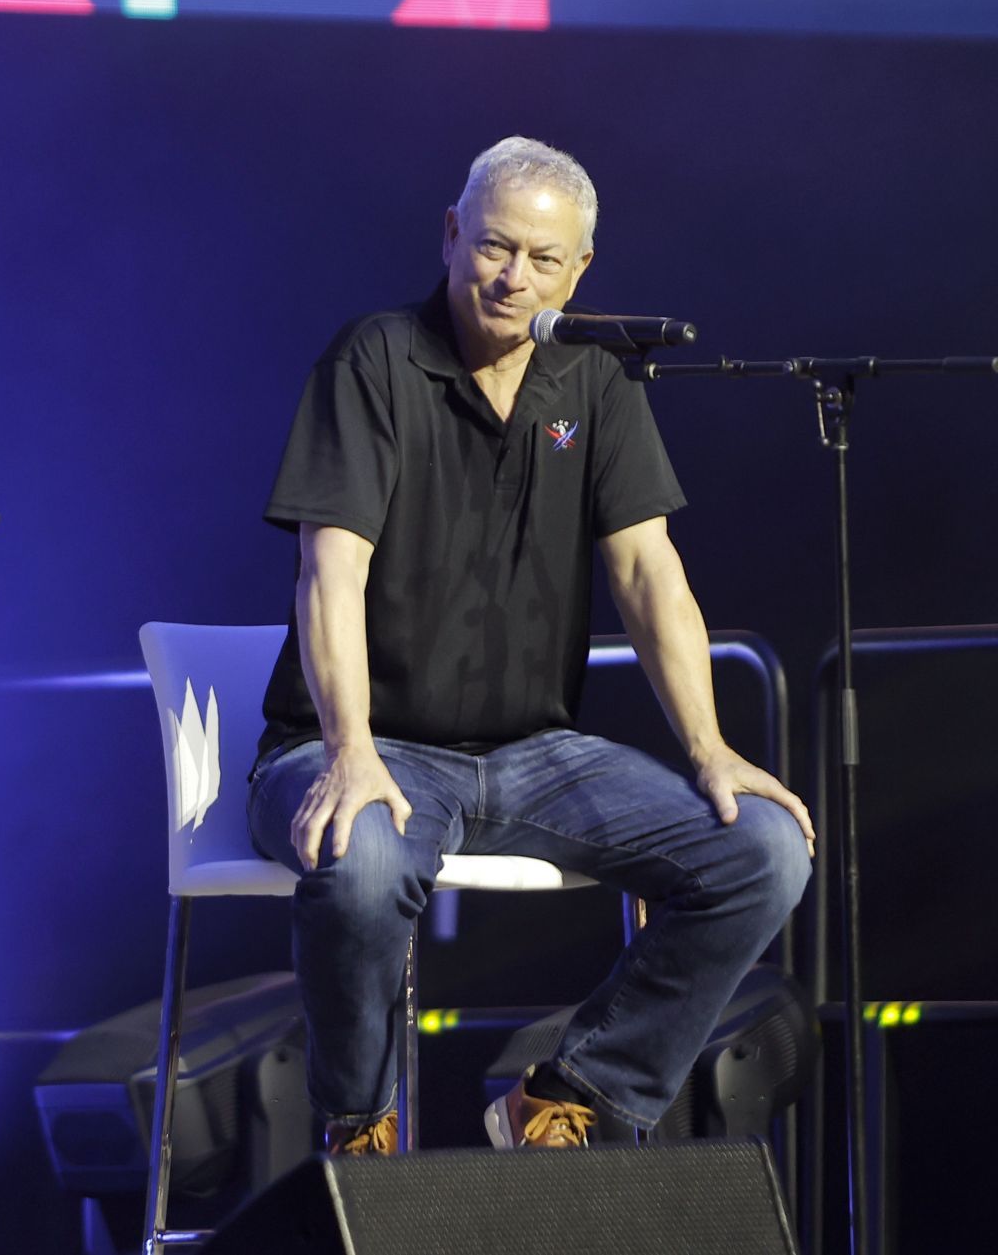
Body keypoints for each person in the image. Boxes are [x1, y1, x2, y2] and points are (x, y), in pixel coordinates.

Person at [246, 136, 814, 1154]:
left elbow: (649, 572)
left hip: (530, 756)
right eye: (495, 246)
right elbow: (329, 571)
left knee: (762, 850)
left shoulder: (594, 377)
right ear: (451, 233)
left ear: (580, 270)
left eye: (542, 259)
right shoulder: (372, 356)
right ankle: (359, 1129)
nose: (513, 276)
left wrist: (711, 749)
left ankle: (571, 1096)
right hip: (357, 747)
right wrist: (352, 750)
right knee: (365, 865)